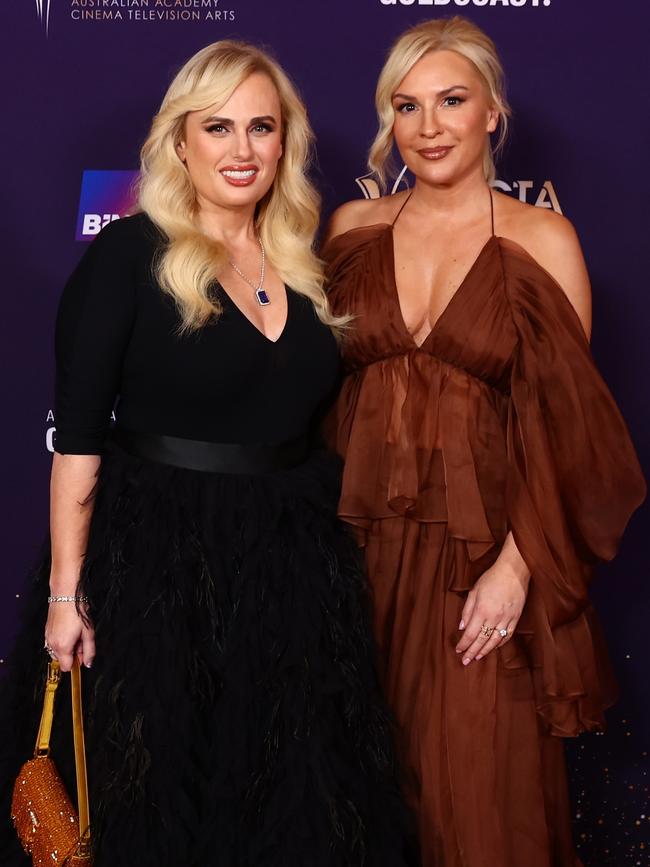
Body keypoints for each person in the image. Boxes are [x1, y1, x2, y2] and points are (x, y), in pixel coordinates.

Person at [0, 40, 416, 867]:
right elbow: (78, 442)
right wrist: (63, 597)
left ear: (285, 143)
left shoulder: (305, 264)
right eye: (217, 127)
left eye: (262, 127)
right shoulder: (126, 258)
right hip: (155, 563)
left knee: (290, 798)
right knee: (152, 800)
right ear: (179, 141)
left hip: (289, 566)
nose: (242, 149)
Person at [321, 16, 645, 867]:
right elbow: (309, 397)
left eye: (452, 101)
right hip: (354, 565)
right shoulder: (352, 230)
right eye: (407, 106)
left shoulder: (545, 240)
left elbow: (569, 433)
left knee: (480, 809)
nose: (429, 127)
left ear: (493, 113)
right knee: (357, 797)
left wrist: (516, 567)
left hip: (483, 570)